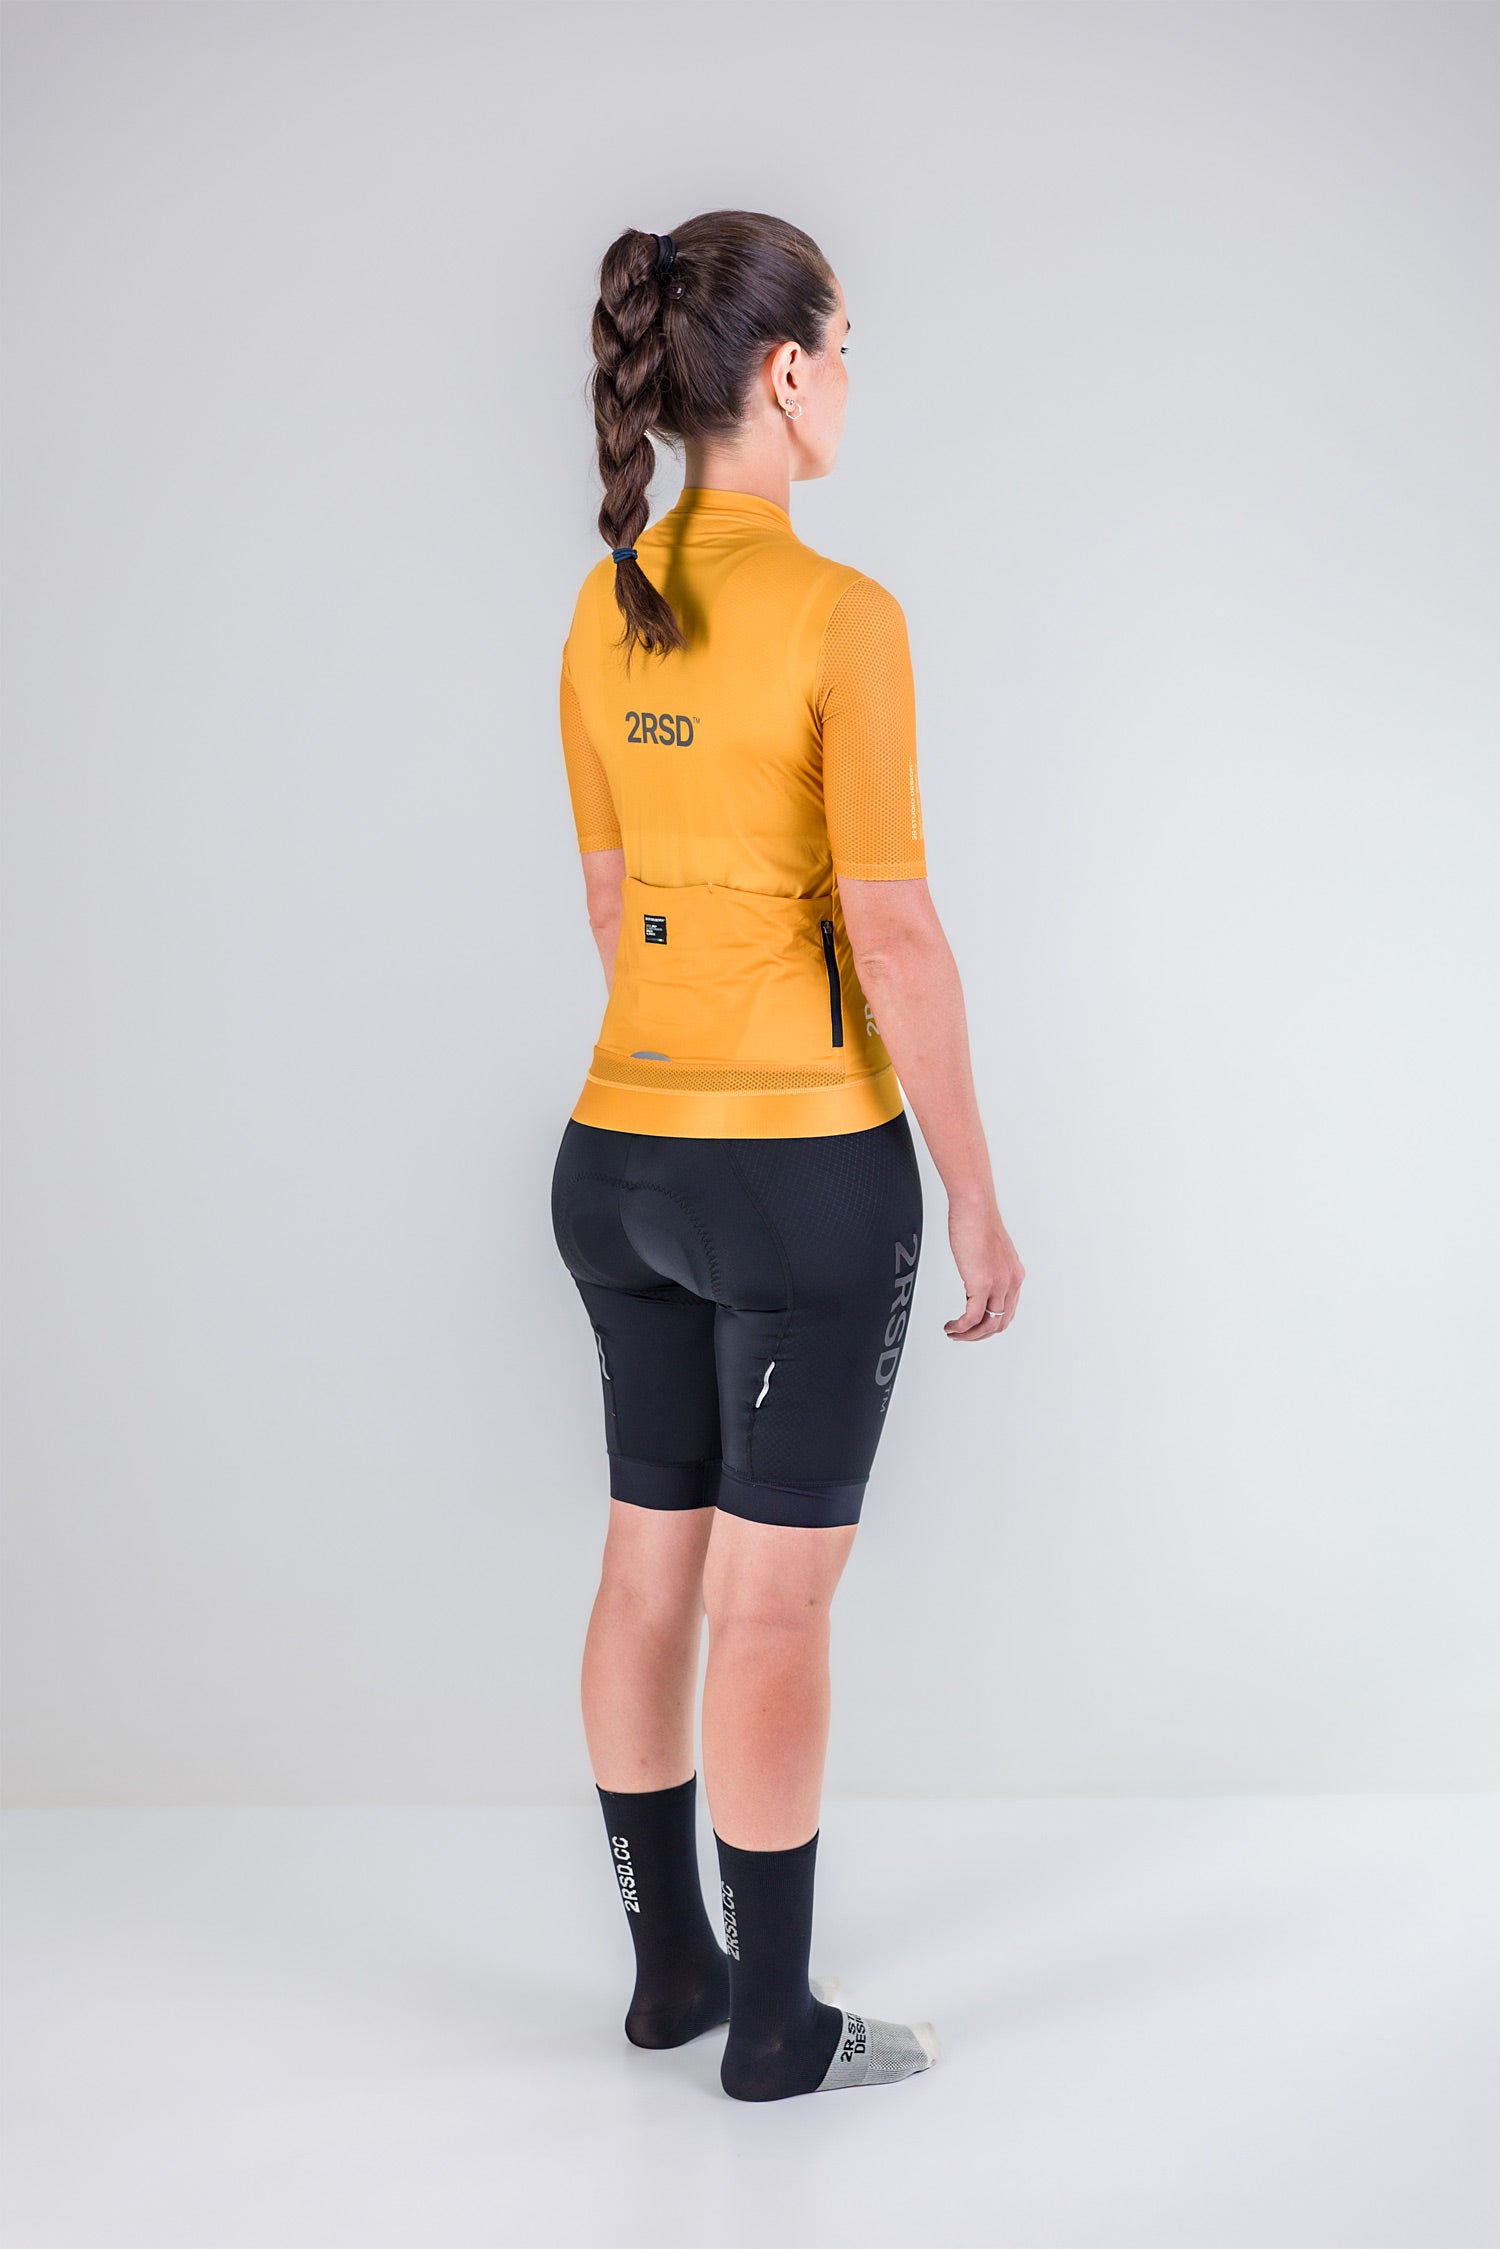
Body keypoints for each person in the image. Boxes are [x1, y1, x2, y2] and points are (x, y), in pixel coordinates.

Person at [549, 210, 1024, 2102]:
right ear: (788, 369)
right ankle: (772, 2022)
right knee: (772, 1604)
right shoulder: (843, 614)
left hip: (617, 1159)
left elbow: (612, 906)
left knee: (648, 1568)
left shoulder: (602, 604)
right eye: (847, 347)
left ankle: (671, 1970)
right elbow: (895, 933)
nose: (851, 382)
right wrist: (972, 1192)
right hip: (804, 1176)